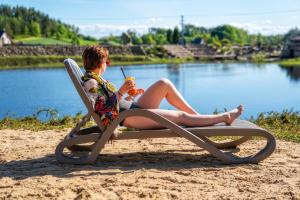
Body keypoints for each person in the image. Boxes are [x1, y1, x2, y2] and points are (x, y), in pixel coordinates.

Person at [81, 45, 244, 130]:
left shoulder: (95, 79)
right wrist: (122, 91)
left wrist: (129, 96)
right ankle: (224, 117)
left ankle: (198, 119)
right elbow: (104, 113)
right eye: (106, 62)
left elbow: (112, 103)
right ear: (100, 63)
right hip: (129, 116)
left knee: (164, 83)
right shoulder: (92, 83)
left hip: (132, 108)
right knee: (180, 116)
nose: (107, 65)